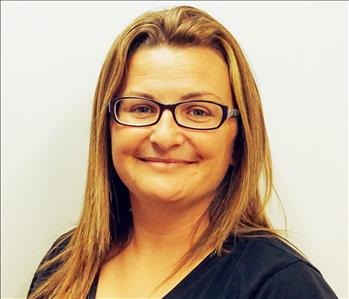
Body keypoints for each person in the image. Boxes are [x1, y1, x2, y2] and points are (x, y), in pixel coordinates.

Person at [27, 5, 338, 299]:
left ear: (239, 142)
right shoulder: (64, 264)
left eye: (198, 112)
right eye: (142, 108)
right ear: (107, 129)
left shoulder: (282, 286)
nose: (165, 136)